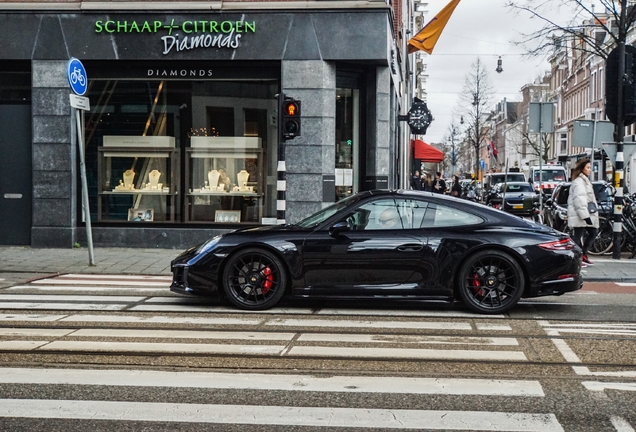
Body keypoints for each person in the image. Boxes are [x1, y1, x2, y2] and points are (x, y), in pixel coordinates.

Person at [567, 158, 599, 267]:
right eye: (588, 168)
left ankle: (583, 255)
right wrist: (585, 216)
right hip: (579, 214)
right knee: (579, 236)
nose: (590, 170)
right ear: (582, 169)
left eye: (590, 167)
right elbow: (579, 200)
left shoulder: (584, 181)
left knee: (592, 232)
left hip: (584, 213)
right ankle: (577, 259)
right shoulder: (579, 182)